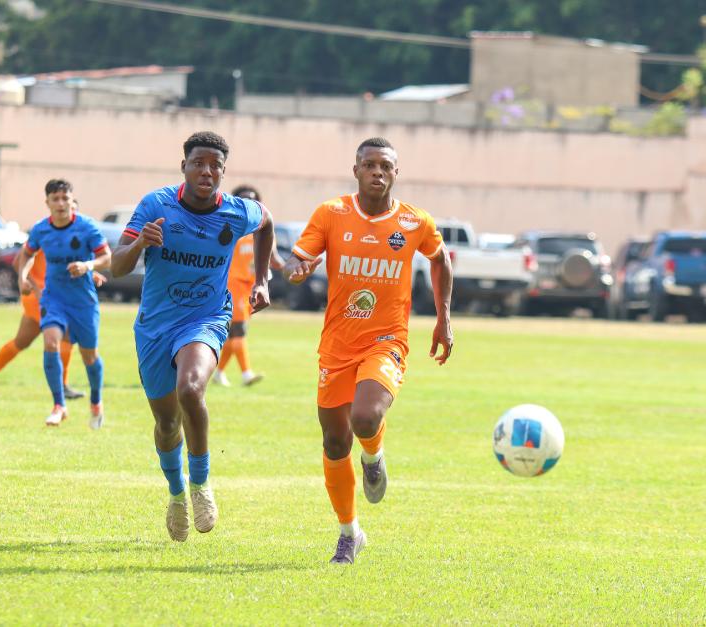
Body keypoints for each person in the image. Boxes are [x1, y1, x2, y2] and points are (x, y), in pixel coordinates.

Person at [283, 137, 453, 564]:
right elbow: (295, 260)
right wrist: (296, 270)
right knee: (335, 442)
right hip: (337, 345)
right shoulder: (331, 213)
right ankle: (349, 532)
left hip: (386, 341)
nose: (378, 172)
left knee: (364, 416)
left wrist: (443, 318)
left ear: (397, 173)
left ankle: (374, 456)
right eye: (370, 165)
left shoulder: (415, 222)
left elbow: (441, 260)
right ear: (355, 170)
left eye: (386, 166)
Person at [111, 131, 274, 542]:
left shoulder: (238, 212)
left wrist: (262, 278)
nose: (207, 171)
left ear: (223, 171)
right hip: (155, 325)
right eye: (198, 163)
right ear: (183, 166)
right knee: (167, 424)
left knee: (191, 387)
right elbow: (116, 266)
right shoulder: (156, 205)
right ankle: (177, 493)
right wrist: (140, 245)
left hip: (205, 319)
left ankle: (201, 485)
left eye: (215, 165)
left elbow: (266, 221)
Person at [14, 179, 112, 428]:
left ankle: (96, 402)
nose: (60, 204)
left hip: (83, 302)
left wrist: (87, 266)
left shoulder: (87, 227)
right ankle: (59, 405)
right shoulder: (40, 230)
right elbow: (27, 253)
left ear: (72, 201)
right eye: (55, 199)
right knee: (50, 342)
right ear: (47, 203)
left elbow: (107, 257)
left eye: (65, 199)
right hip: (54, 298)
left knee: (89, 356)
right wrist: (22, 277)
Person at [0, 235, 107, 401]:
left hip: (50, 297)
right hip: (40, 298)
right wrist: (37, 290)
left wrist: (89, 274)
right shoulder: (44, 234)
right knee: (67, 334)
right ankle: (63, 386)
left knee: (21, 342)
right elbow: (18, 262)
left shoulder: (67, 236)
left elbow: (62, 267)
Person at [211, 185, 284, 387]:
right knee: (238, 330)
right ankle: (246, 374)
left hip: (251, 289)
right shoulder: (230, 228)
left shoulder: (263, 229)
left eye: (253, 199)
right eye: (244, 199)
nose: (249, 203)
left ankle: (219, 373)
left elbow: (275, 259)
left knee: (232, 335)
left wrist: (291, 268)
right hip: (231, 286)